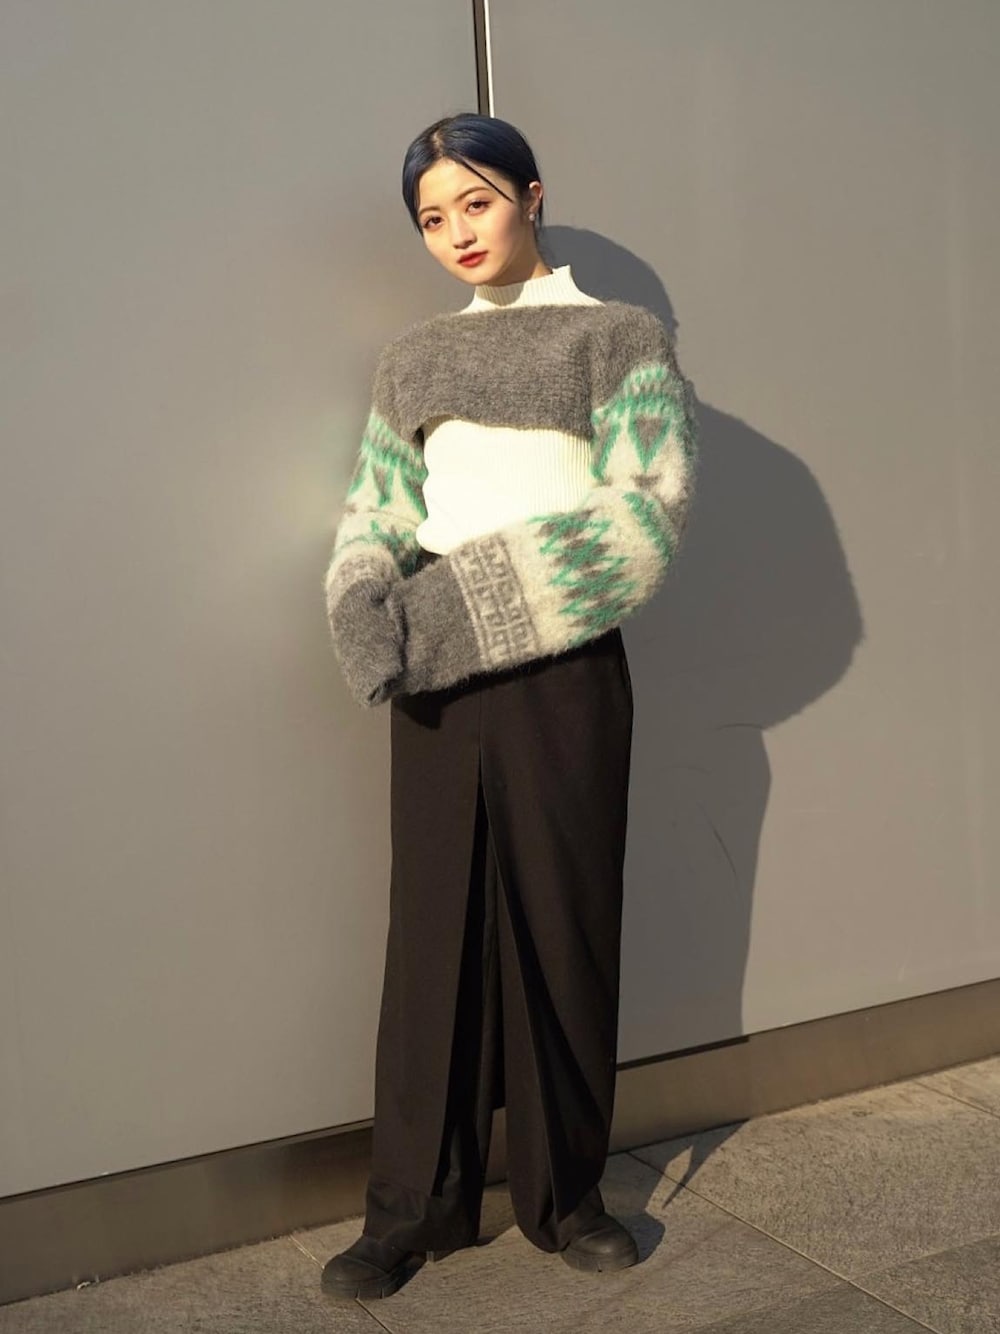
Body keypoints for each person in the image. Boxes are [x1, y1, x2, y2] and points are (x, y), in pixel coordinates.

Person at [320, 112, 699, 1303]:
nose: (456, 232)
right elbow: (376, 507)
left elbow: (645, 512)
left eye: (474, 202)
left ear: (532, 195)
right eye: (431, 217)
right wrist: (360, 609)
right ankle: (409, 1208)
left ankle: (566, 1195)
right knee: (430, 934)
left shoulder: (618, 338)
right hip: (437, 677)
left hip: (561, 665)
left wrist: (452, 611)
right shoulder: (413, 359)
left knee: (562, 922)